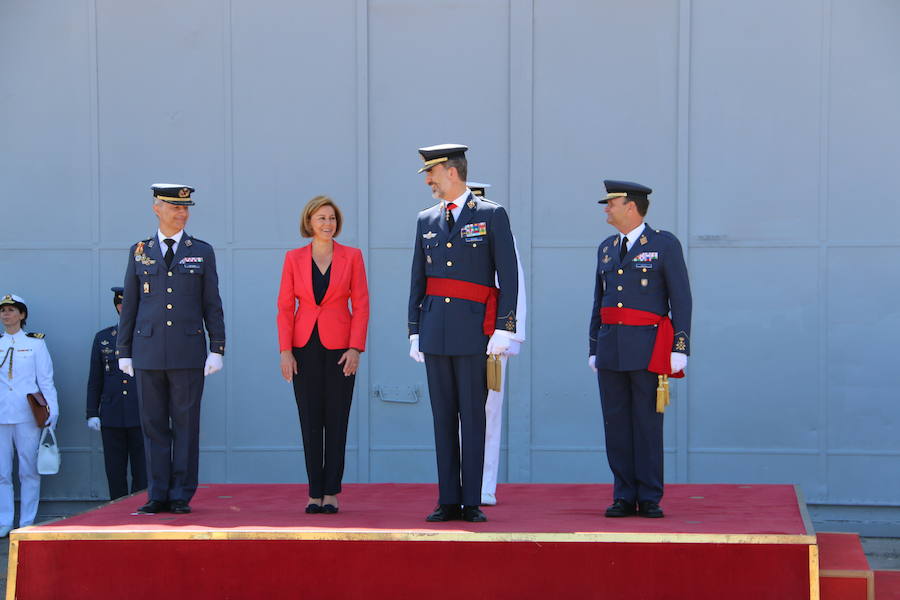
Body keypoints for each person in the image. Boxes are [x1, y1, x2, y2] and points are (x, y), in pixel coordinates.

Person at [408, 145, 519, 523]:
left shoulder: (491, 215)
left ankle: (471, 499)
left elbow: (509, 275)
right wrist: (414, 330)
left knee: (473, 416)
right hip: (436, 329)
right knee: (442, 417)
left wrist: (505, 328)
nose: (428, 181)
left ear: (451, 172)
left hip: (476, 332)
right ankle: (448, 499)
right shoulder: (426, 219)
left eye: (432, 173)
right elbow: (417, 280)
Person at [117, 183, 226, 515]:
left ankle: (180, 493)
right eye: (175, 207)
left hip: (188, 351)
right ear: (156, 208)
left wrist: (217, 347)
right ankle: (157, 492)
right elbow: (131, 304)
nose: (182, 213)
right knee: (152, 425)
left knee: (185, 425)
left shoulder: (201, 251)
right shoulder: (139, 250)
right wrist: (124, 350)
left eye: (185, 208)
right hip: (148, 351)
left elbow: (212, 303)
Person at [588, 180, 691, 519]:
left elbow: (681, 299)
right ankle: (623, 494)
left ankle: (648, 496)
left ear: (630, 207)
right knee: (614, 423)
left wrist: (680, 346)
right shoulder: (606, 247)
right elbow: (598, 302)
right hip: (611, 347)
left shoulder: (663, 244)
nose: (607, 209)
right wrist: (593, 346)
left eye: (611, 203)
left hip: (648, 347)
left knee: (646, 423)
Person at [277, 196, 369, 514]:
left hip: (341, 348)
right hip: (304, 347)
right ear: (309, 222)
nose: (327, 224)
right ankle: (314, 491)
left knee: (337, 419)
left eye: (331, 218)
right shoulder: (293, 258)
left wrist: (356, 347)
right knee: (310, 420)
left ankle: (332, 491)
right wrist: (285, 351)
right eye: (321, 218)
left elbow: (362, 305)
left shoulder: (352, 257)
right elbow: (286, 308)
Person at [466, 182, 527, 507]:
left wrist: (509, 334)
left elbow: (514, 283)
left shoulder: (496, 228)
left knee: (488, 411)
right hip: (459, 333)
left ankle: (484, 484)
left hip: (492, 333)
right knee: (457, 415)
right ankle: (461, 482)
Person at [0, 294, 59, 537]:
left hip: (27, 415)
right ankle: (4, 521)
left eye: (12, 310)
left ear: (22, 315)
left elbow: (45, 380)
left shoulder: (36, 343)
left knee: (28, 471)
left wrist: (52, 412)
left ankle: (26, 521)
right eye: (3, 310)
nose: (6, 314)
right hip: (2, 414)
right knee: (2, 473)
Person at [86, 287, 147, 500]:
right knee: (114, 468)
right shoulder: (103, 338)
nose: (124, 308)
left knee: (143, 469)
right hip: (112, 413)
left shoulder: (148, 335)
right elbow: (96, 377)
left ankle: (141, 506)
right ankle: (116, 510)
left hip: (142, 412)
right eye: (120, 304)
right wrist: (92, 412)